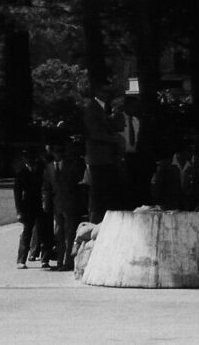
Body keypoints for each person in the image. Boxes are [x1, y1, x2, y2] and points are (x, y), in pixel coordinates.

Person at [83, 83, 124, 223]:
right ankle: (96, 222)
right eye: (104, 90)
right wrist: (114, 139)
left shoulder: (106, 108)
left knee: (109, 194)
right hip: (98, 158)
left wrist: (116, 115)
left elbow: (117, 126)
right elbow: (94, 133)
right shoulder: (92, 108)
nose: (107, 94)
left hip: (108, 158)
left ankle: (107, 220)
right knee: (99, 195)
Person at [42, 142, 84, 271]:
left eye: (60, 151)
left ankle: (68, 261)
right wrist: (46, 204)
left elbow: (78, 185)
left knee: (70, 234)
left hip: (71, 204)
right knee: (58, 234)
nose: (58, 154)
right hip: (57, 205)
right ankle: (60, 261)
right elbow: (46, 188)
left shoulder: (71, 166)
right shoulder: (49, 168)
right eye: (56, 152)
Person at [15, 150, 45, 269]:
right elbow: (17, 194)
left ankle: (44, 259)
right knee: (27, 233)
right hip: (27, 206)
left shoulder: (41, 172)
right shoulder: (21, 173)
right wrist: (19, 211)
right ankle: (21, 260)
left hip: (40, 205)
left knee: (43, 232)